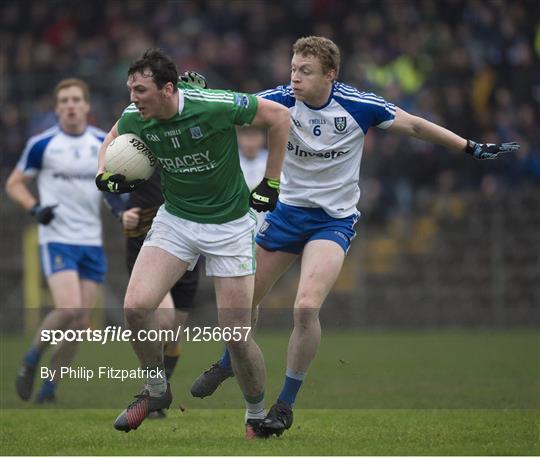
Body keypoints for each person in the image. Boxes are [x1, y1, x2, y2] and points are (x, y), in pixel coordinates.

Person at [190, 36, 520, 437]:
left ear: (330, 75)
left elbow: (415, 125)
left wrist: (469, 147)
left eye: (305, 71)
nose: (294, 77)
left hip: (332, 222)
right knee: (241, 308)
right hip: (284, 216)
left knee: (305, 308)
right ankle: (229, 361)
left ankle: (284, 405)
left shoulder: (360, 105)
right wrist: (198, 95)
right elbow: (232, 107)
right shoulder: (279, 99)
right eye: (293, 68)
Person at [95, 49, 290, 437]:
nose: (133, 97)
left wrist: (271, 181)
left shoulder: (213, 105)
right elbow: (113, 135)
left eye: (140, 89)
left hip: (230, 225)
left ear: (168, 89)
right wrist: (104, 174)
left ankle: (255, 415)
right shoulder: (137, 116)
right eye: (130, 89)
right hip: (177, 220)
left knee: (235, 334)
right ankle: (155, 390)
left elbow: (279, 116)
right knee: (135, 307)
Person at [5, 78, 107, 404]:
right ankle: (31, 359)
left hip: (91, 241)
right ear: (57, 107)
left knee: (79, 324)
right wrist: (35, 208)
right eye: (64, 100)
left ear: (87, 106)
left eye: (77, 99)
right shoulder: (42, 144)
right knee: (69, 307)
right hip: (57, 238)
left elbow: (120, 184)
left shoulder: (104, 143)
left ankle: (49, 389)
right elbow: (14, 184)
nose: (71, 105)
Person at [103, 168, 200, 420]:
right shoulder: (136, 142)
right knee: (163, 321)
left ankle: (155, 398)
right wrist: (121, 211)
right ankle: (155, 393)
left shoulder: (189, 145)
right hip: (145, 243)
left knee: (173, 336)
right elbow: (106, 180)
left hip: (189, 243)